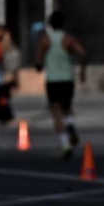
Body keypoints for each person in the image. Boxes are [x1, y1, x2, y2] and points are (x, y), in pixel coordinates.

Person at [35, 11, 88, 160]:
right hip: (67, 79)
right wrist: (83, 72)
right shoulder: (68, 39)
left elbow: (38, 61)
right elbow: (83, 53)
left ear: (50, 24)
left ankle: (65, 145)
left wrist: (39, 66)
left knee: (56, 110)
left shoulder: (45, 40)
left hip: (53, 80)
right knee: (68, 107)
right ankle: (70, 124)